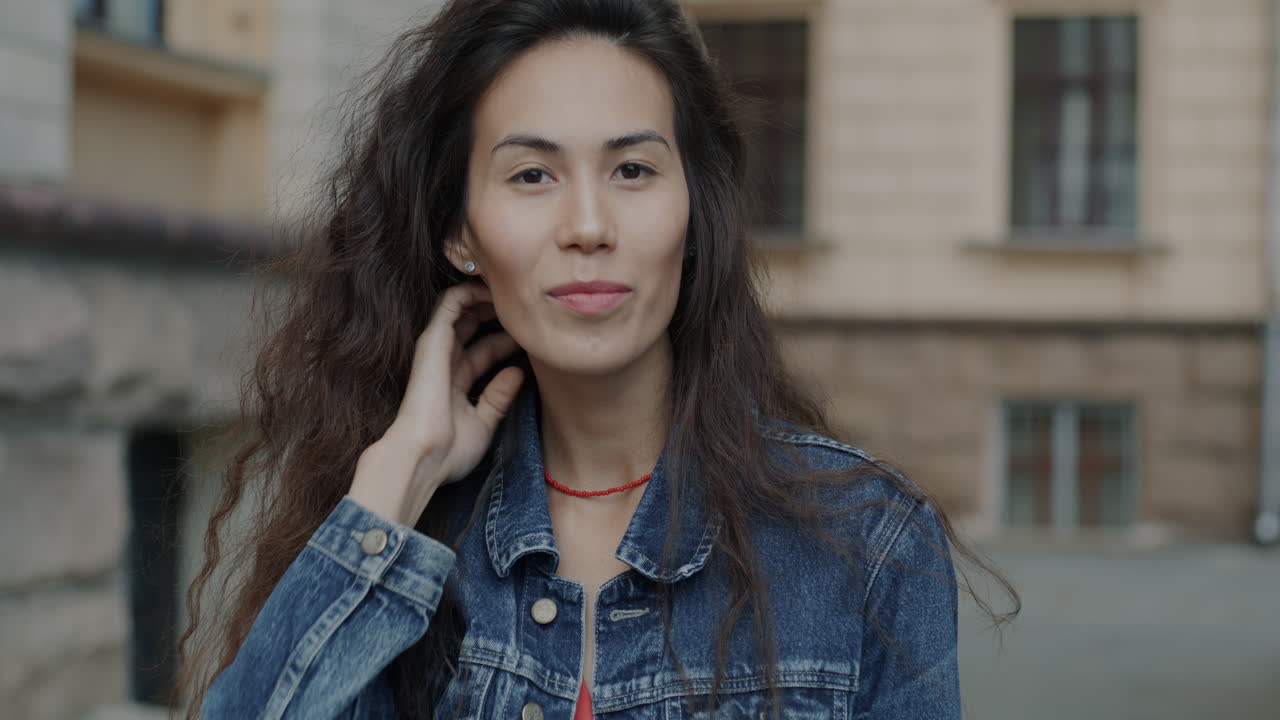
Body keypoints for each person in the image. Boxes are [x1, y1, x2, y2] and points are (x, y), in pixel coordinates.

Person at [178, 1, 1017, 718]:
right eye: (533, 174)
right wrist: (393, 482)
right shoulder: (418, 535)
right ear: (461, 234)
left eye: (633, 169)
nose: (588, 225)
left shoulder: (870, 544)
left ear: (696, 213)